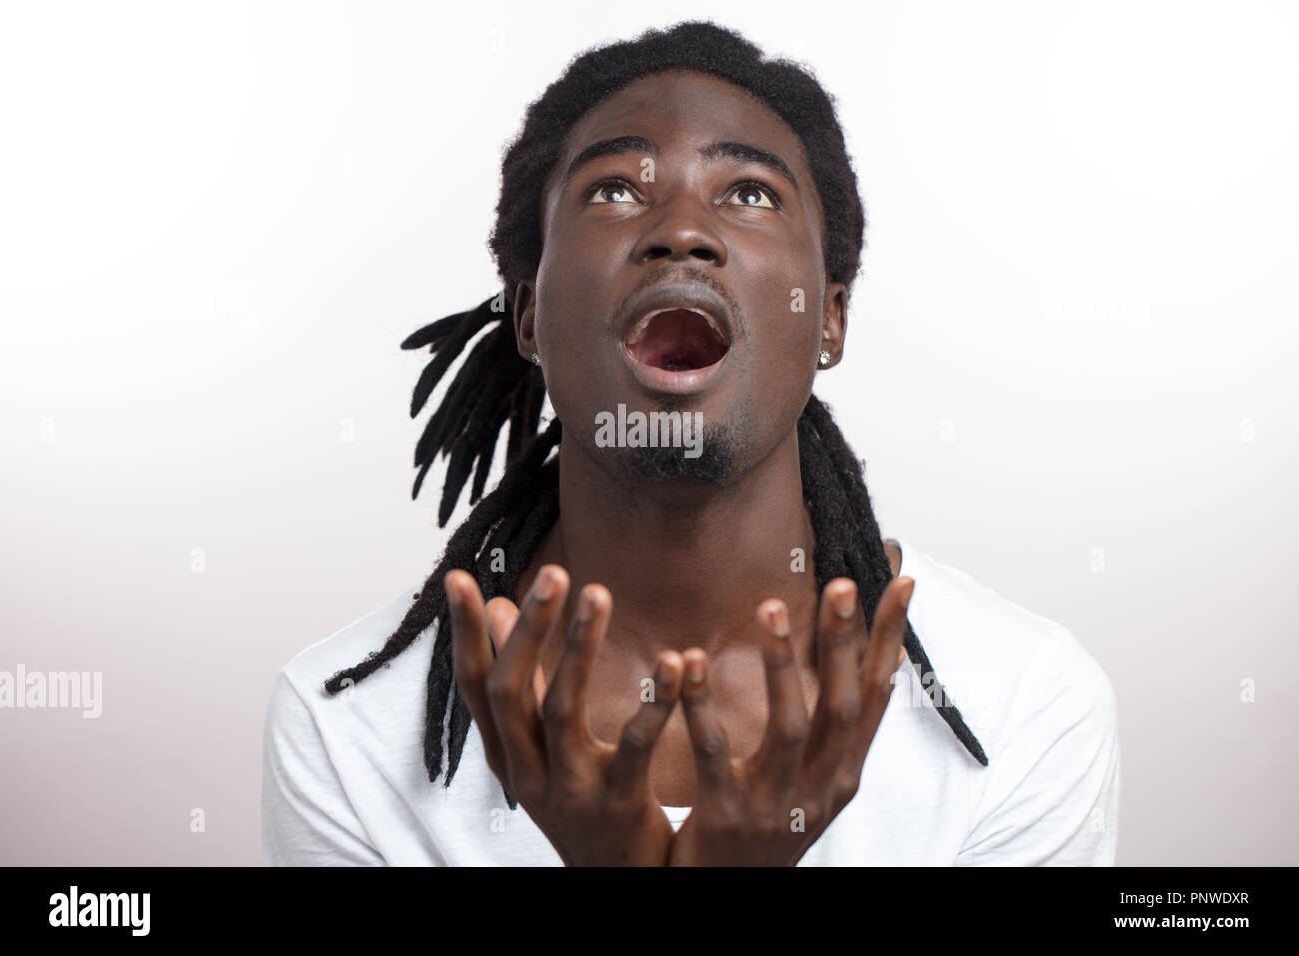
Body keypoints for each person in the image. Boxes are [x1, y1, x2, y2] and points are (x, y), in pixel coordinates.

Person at [262, 20, 1119, 866]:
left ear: (829, 315)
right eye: (614, 190)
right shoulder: (347, 732)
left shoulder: (1021, 706)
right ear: (528, 316)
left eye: (748, 191)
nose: (680, 229)